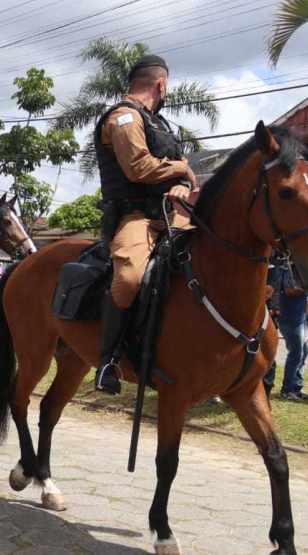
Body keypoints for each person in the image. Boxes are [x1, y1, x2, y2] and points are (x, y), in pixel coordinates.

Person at [91, 54, 197, 395]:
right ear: (161, 84)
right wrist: (181, 170)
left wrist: (182, 183)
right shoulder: (123, 117)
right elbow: (139, 169)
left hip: (171, 213)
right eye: (167, 86)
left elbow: (181, 173)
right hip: (135, 217)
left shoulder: (162, 125)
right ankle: (108, 360)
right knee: (130, 277)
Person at [279, 268, 308, 401]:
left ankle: (296, 387)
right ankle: (287, 389)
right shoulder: (290, 271)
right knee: (296, 353)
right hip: (290, 319)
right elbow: (289, 290)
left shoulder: (299, 271)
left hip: (299, 318)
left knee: (303, 352)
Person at [262, 264, 284, 399]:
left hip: (267, 315)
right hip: (246, 314)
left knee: (267, 357)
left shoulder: (274, 265)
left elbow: (267, 292)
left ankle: (265, 393)